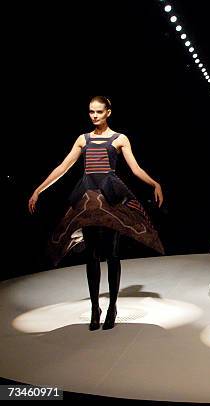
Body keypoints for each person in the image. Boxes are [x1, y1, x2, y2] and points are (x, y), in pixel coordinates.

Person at [28, 96, 164, 330]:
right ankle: (95, 307)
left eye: (99, 112)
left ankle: (112, 307)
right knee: (91, 255)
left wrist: (155, 184)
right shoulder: (83, 139)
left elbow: (135, 168)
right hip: (89, 197)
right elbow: (63, 167)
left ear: (108, 112)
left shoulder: (119, 139)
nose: (94, 116)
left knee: (111, 253)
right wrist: (39, 190)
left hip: (110, 196)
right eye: (91, 112)